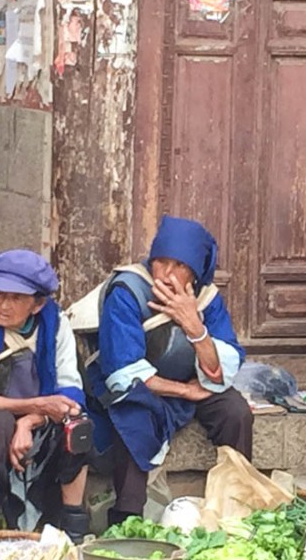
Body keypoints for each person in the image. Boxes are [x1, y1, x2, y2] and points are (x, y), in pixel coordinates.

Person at [86, 216, 254, 526]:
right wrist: (184, 390)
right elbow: (123, 371)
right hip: (144, 386)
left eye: (180, 266)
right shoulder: (128, 291)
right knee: (132, 415)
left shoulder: (206, 300)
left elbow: (221, 369)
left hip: (192, 382)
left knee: (235, 411)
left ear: (195, 272)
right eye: (161, 262)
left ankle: (237, 503)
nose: (167, 274)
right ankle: (127, 519)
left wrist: (194, 325)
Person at [0, 249, 91, 542]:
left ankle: (74, 523)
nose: (3, 305)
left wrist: (29, 420)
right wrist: (31, 407)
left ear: (37, 305)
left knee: (78, 422)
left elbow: (70, 390)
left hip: (39, 423)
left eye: (16, 298)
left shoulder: (55, 324)